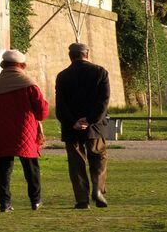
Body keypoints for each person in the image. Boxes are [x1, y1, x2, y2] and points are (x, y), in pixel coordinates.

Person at [0, 50, 49, 212]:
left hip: (0, 131)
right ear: (22, 65)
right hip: (26, 131)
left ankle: (5, 203)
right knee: (31, 168)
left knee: (4, 169)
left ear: (4, 65)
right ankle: (35, 200)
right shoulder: (29, 84)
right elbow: (42, 111)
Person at [55, 43, 110, 209]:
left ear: (70, 56)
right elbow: (103, 101)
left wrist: (73, 121)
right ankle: (98, 189)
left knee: (76, 163)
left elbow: (61, 105)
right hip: (95, 127)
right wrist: (90, 119)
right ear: (87, 54)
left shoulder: (63, 76)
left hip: (72, 128)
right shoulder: (100, 72)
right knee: (99, 158)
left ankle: (82, 199)